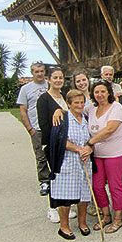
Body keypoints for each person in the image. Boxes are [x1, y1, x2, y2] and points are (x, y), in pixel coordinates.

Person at [87, 80, 122, 234]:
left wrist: (90, 142)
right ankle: (106, 215)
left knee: (114, 185)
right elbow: (74, 110)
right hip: (98, 153)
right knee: (97, 186)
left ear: (108, 93)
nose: (99, 94)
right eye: (96, 92)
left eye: (103, 91)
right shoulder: (91, 109)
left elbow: (110, 129)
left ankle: (118, 218)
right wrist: (60, 111)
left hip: (116, 152)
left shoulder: (116, 107)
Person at [49, 90, 93, 240]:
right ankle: (64, 227)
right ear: (68, 104)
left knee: (84, 196)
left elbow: (91, 140)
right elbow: (58, 140)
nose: (80, 105)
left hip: (84, 163)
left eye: (82, 102)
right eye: (76, 102)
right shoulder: (63, 118)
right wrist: (79, 149)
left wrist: (88, 148)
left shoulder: (86, 119)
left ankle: (82, 223)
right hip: (67, 162)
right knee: (65, 197)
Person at [37, 66, 70, 223]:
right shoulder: (44, 99)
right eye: (55, 77)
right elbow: (44, 125)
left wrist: (62, 112)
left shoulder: (63, 97)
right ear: (48, 79)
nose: (58, 80)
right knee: (56, 176)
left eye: (60, 78)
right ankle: (52, 208)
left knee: (66, 175)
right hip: (53, 144)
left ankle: (64, 205)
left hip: (66, 144)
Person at [16, 61, 49, 196]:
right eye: (37, 71)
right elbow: (23, 110)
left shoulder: (50, 85)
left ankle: (56, 178)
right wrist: (30, 129)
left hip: (51, 127)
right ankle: (44, 181)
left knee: (55, 154)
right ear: (32, 73)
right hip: (36, 128)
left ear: (45, 72)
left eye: (41, 71)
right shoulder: (26, 89)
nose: (40, 73)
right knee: (40, 156)